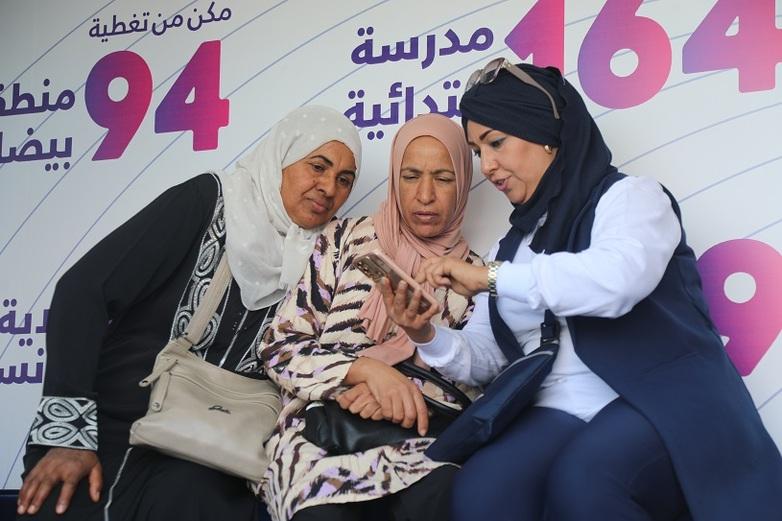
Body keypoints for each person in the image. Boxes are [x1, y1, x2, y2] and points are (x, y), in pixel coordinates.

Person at [382, 59, 782, 521]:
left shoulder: (630, 198)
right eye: (477, 152)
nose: (487, 166)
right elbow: (490, 356)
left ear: (545, 134)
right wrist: (425, 334)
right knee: (481, 491)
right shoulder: (513, 245)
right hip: (557, 407)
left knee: (587, 480)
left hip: (647, 396)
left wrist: (492, 278)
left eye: (496, 143)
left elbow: (616, 281)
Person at [15, 105, 362, 521]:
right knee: (65, 501)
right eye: (317, 167)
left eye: (344, 180)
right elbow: (83, 291)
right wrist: (69, 437)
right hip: (116, 426)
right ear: (282, 158)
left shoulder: (330, 254)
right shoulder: (209, 202)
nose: (328, 188)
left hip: (219, 450)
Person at [259, 113, 482, 521]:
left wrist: (400, 396)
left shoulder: (471, 277)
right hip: (321, 437)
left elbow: (476, 383)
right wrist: (363, 372)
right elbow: (280, 346)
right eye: (411, 176)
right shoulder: (344, 240)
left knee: (444, 499)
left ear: (464, 181)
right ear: (395, 179)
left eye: (443, 178)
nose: (425, 195)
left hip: (418, 443)